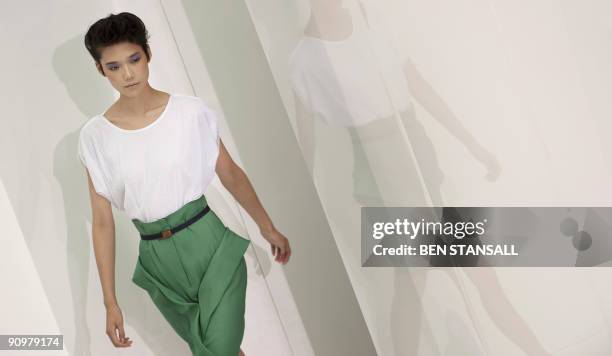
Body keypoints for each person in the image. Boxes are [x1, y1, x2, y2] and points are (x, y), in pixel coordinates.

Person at [78, 12, 291, 356]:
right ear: (101, 70)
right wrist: (110, 302)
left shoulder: (189, 113)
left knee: (217, 350)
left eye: (134, 59)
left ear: (148, 54)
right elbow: (102, 222)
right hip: (157, 262)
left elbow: (230, 173)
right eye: (114, 66)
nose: (128, 74)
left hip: (209, 245)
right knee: (216, 350)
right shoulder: (95, 137)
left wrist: (267, 227)